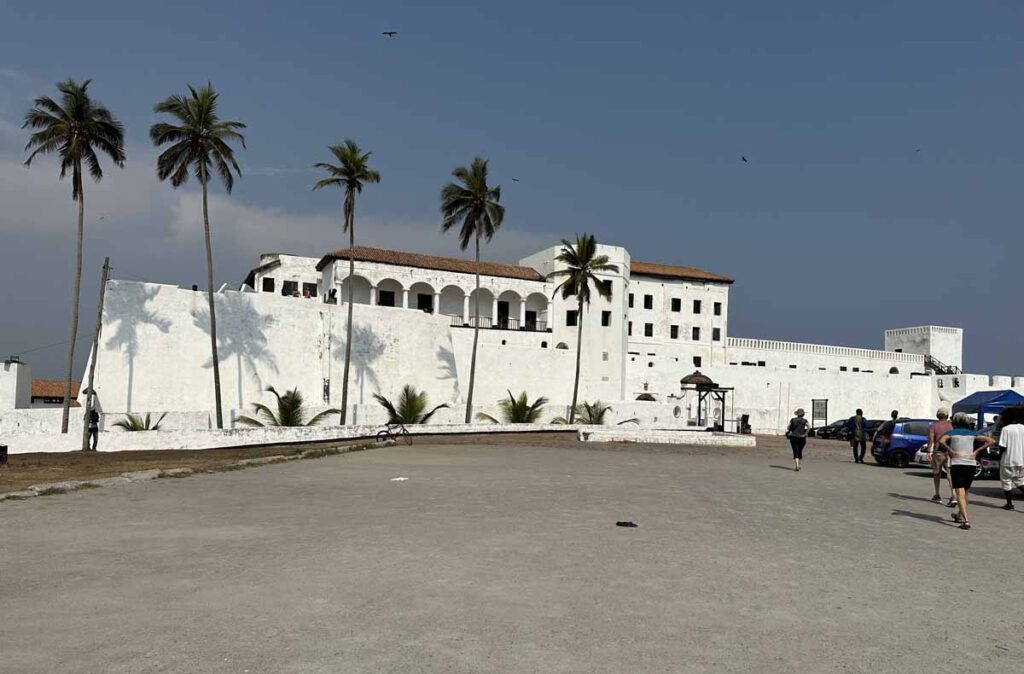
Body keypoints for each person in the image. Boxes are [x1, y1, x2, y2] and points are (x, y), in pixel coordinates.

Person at [938, 412, 994, 530]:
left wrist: (950, 450)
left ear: (955, 422)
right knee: (965, 491)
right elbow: (990, 441)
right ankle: (959, 514)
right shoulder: (972, 434)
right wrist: (976, 451)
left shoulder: (951, 433)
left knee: (959, 491)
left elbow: (941, 441)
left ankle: (966, 521)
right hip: (970, 464)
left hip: (957, 463)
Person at [997, 405, 1024, 510]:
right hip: (1022, 460)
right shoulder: (1023, 428)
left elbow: (1003, 446)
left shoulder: (1006, 429)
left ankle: (1009, 503)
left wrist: (998, 455)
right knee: (1020, 481)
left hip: (1008, 460)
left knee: (1006, 481)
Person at [927, 408, 954, 505]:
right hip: (948, 451)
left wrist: (929, 451)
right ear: (946, 415)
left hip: (938, 452)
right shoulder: (950, 426)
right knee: (949, 473)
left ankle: (937, 495)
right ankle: (953, 495)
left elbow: (931, 439)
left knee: (937, 473)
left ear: (937, 416)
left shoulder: (934, 426)